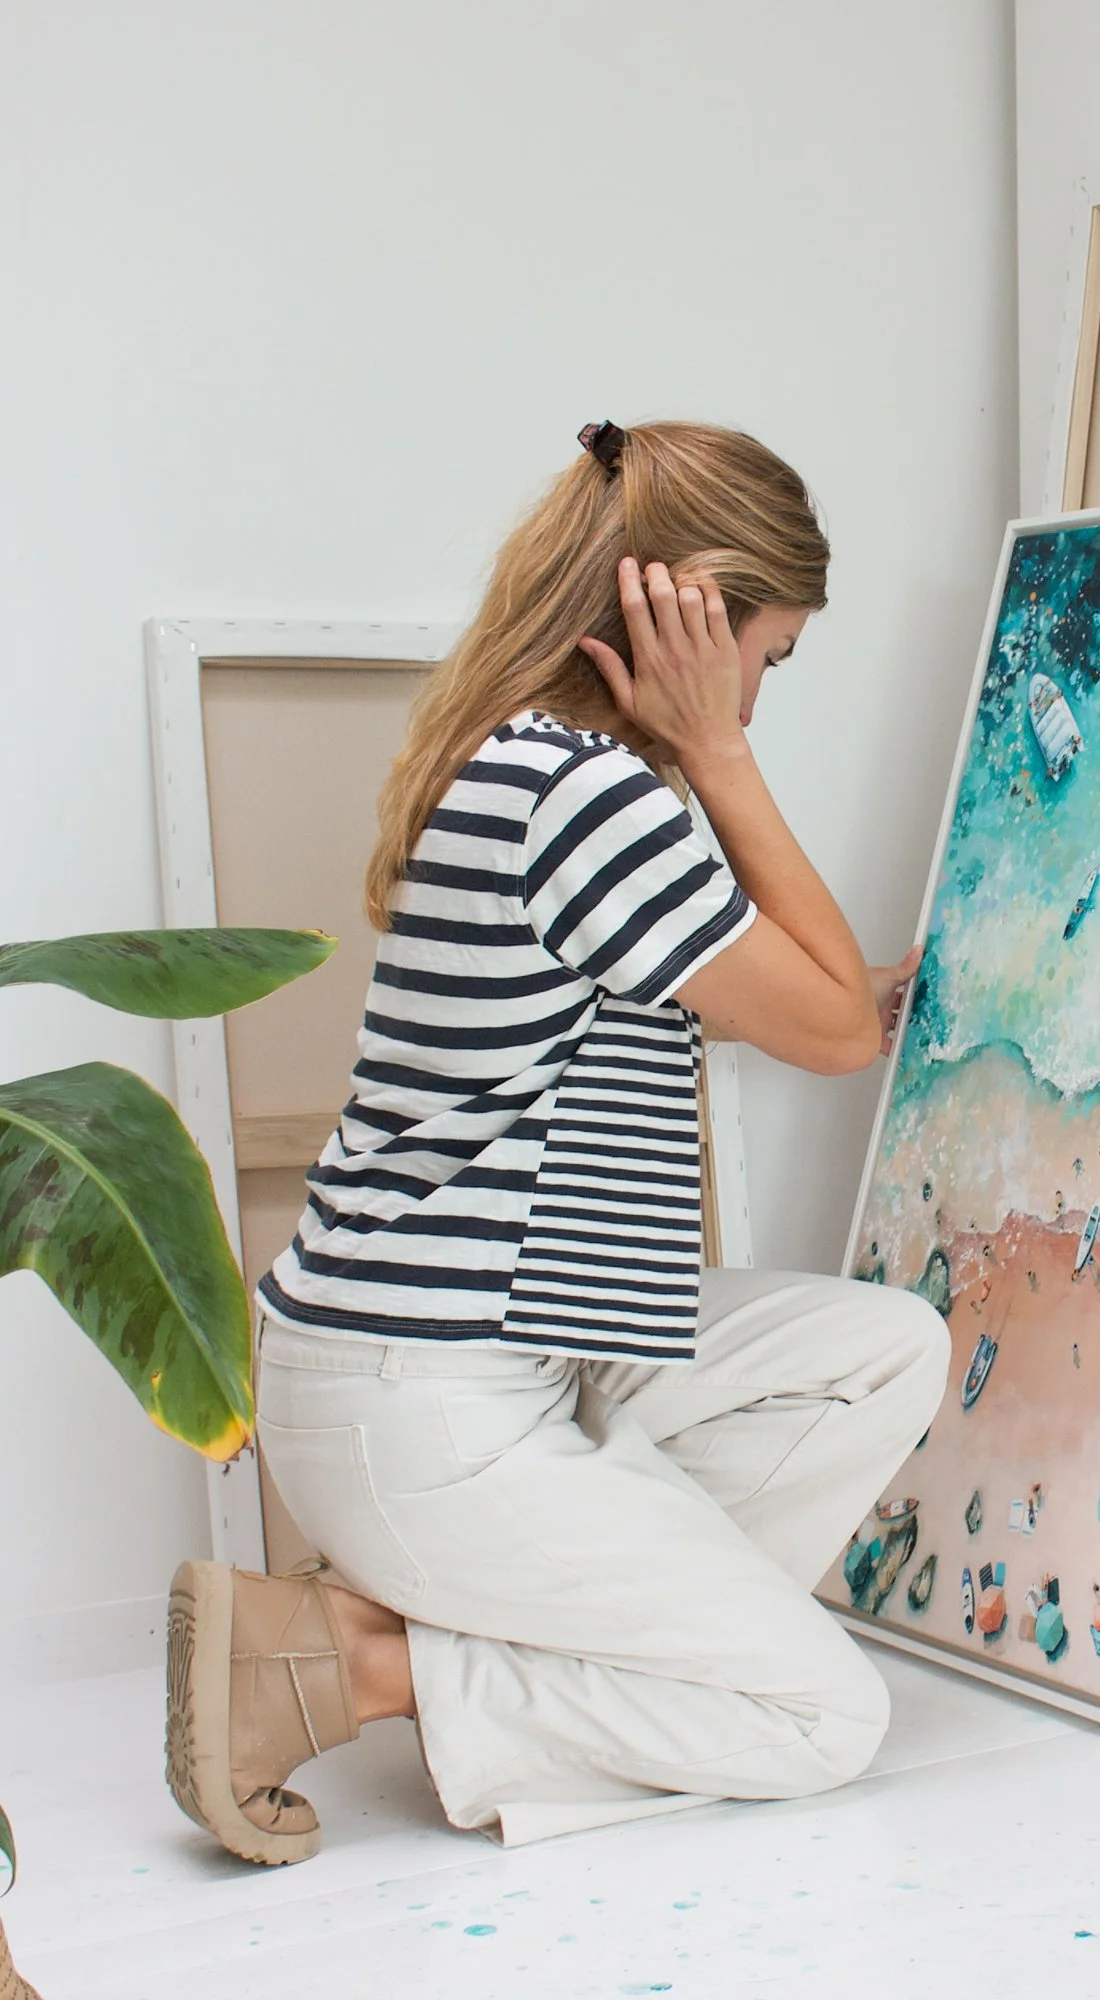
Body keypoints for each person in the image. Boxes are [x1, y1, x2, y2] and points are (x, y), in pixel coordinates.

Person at [164, 420, 948, 1865]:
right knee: (824, 1719)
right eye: (765, 660)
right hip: (429, 1401)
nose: (755, 701)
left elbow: (676, 1012)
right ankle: (358, 1663)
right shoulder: (597, 796)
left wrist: (863, 989)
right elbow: (835, 1029)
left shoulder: (521, 757)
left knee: (884, 1347)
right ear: (692, 622)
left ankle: (501, 1620)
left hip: (440, 1358)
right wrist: (717, 752)